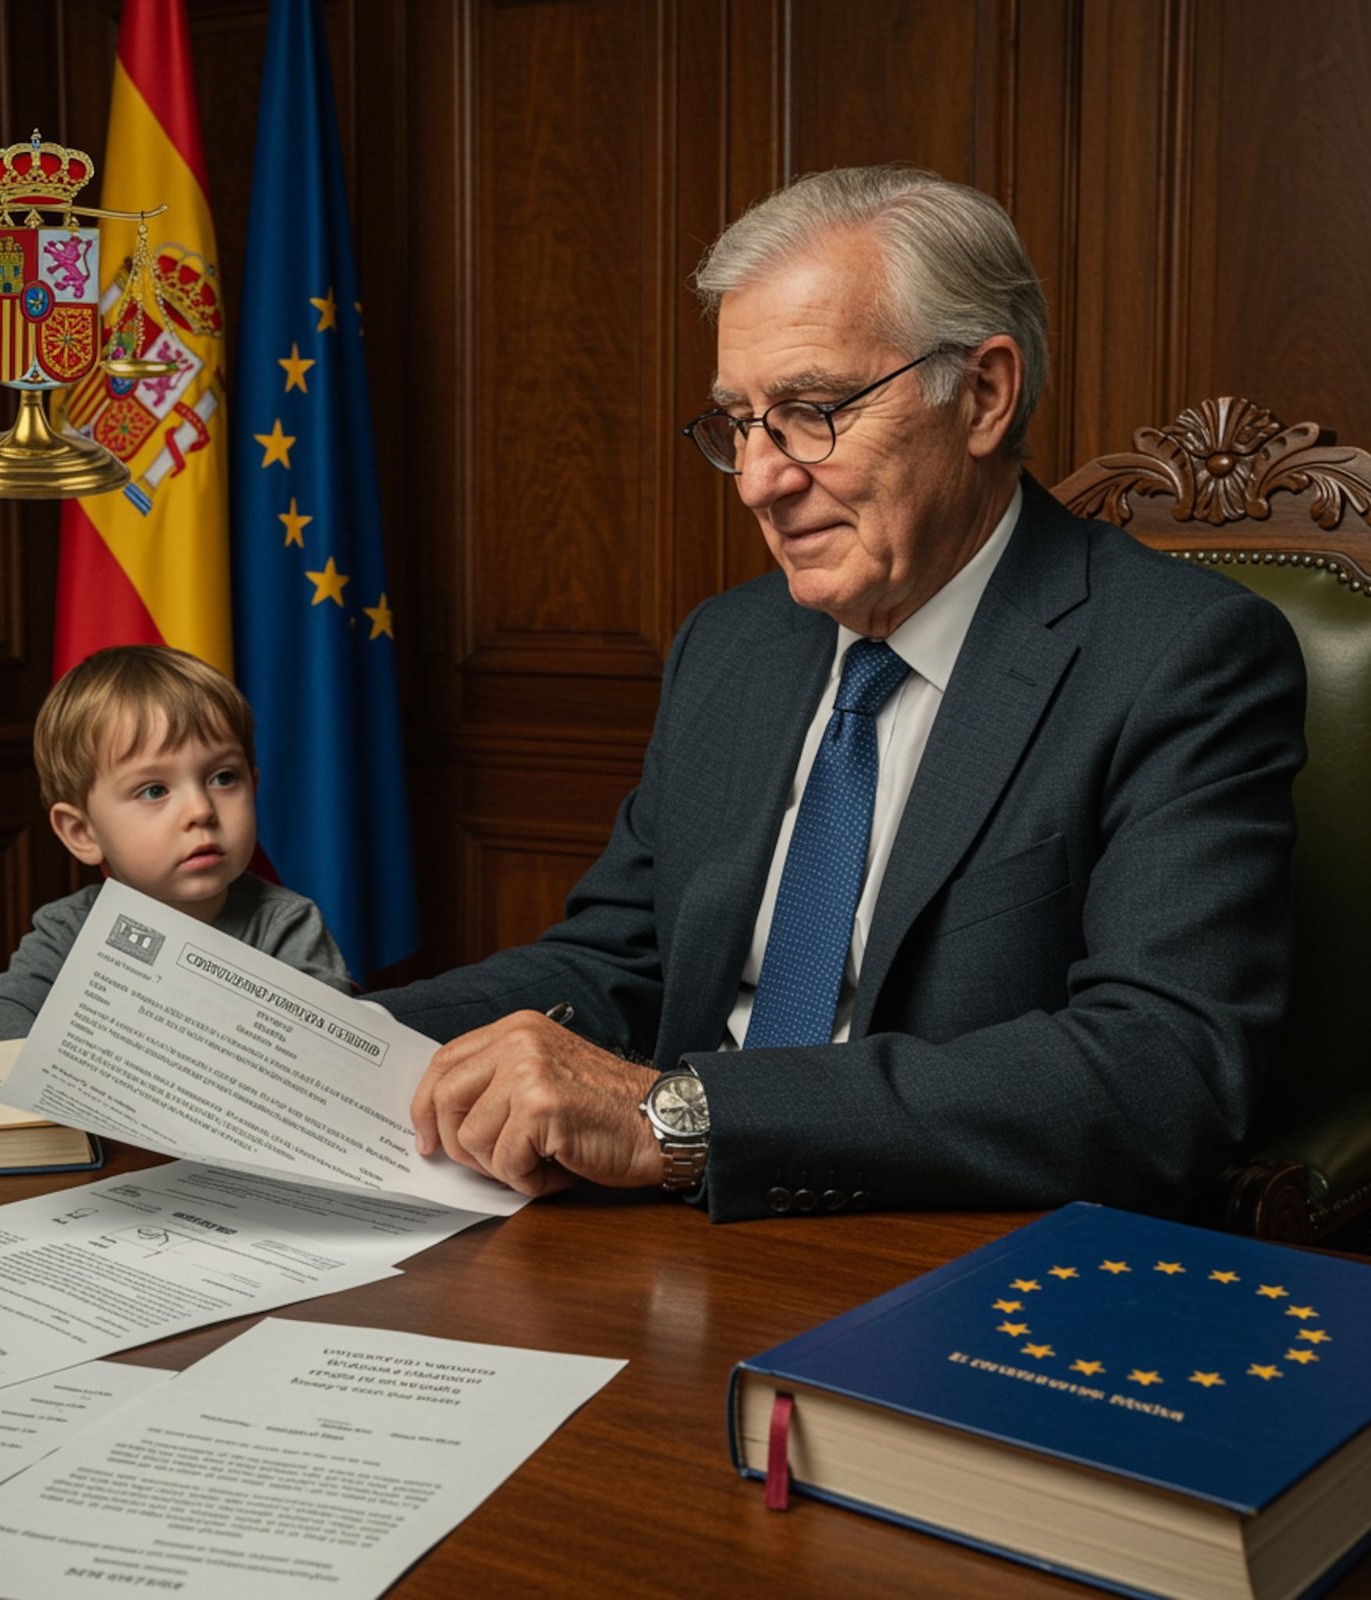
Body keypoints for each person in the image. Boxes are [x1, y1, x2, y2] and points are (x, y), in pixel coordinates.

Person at [384, 165, 1307, 1222]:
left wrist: (682, 1118)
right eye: (738, 422)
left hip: (942, 1258)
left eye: (811, 411)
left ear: (982, 393)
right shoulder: (728, 645)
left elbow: (1159, 1070)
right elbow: (615, 961)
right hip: (652, 1238)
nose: (759, 477)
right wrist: (295, 1028)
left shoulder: (1178, 657)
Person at [0, 645, 351, 1043]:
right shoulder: (70, 929)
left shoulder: (286, 927)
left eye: (224, 778)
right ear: (83, 833)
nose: (201, 810)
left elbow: (323, 1053)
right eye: (154, 790)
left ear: (254, 786)